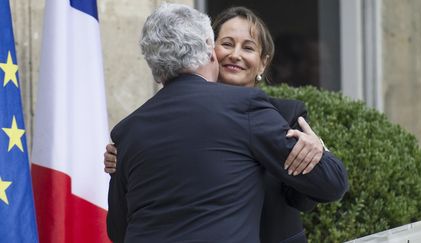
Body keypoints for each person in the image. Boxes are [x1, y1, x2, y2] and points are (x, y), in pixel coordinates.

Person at [105, 6, 342, 243]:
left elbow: (310, 193)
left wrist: (317, 148)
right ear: (209, 49)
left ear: (262, 63)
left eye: (248, 47)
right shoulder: (135, 131)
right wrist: (124, 159)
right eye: (227, 44)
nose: (235, 55)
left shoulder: (285, 114)